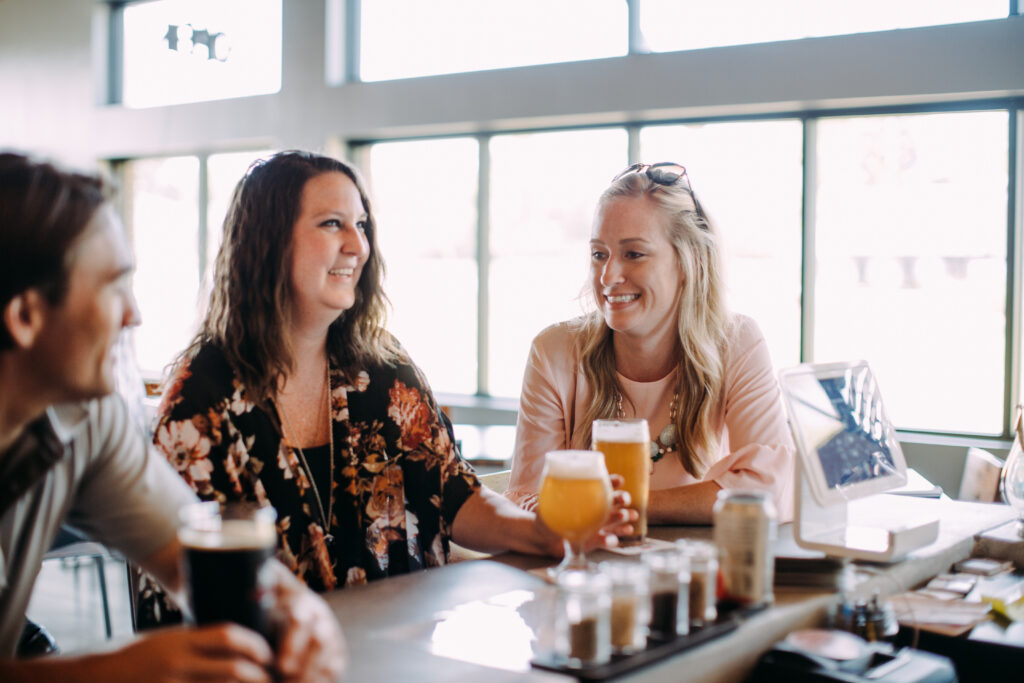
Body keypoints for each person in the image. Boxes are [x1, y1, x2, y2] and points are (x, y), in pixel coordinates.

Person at [143, 150, 633, 611]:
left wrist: (544, 534)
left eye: (360, 225)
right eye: (332, 223)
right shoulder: (200, 401)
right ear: (267, 241)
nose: (357, 245)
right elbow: (192, 590)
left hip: (403, 648)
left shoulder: (379, 365)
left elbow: (453, 494)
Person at [0, 152, 345, 682]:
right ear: (26, 316)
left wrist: (296, 610)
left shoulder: (89, 418)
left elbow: (186, 551)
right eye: (113, 284)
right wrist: (113, 674)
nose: (133, 314)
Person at [506, 162, 795, 525]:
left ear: (689, 262)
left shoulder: (736, 342)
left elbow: (773, 491)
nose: (608, 276)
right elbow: (529, 501)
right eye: (599, 254)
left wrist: (628, 507)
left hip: (693, 574)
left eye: (634, 254)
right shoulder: (554, 352)